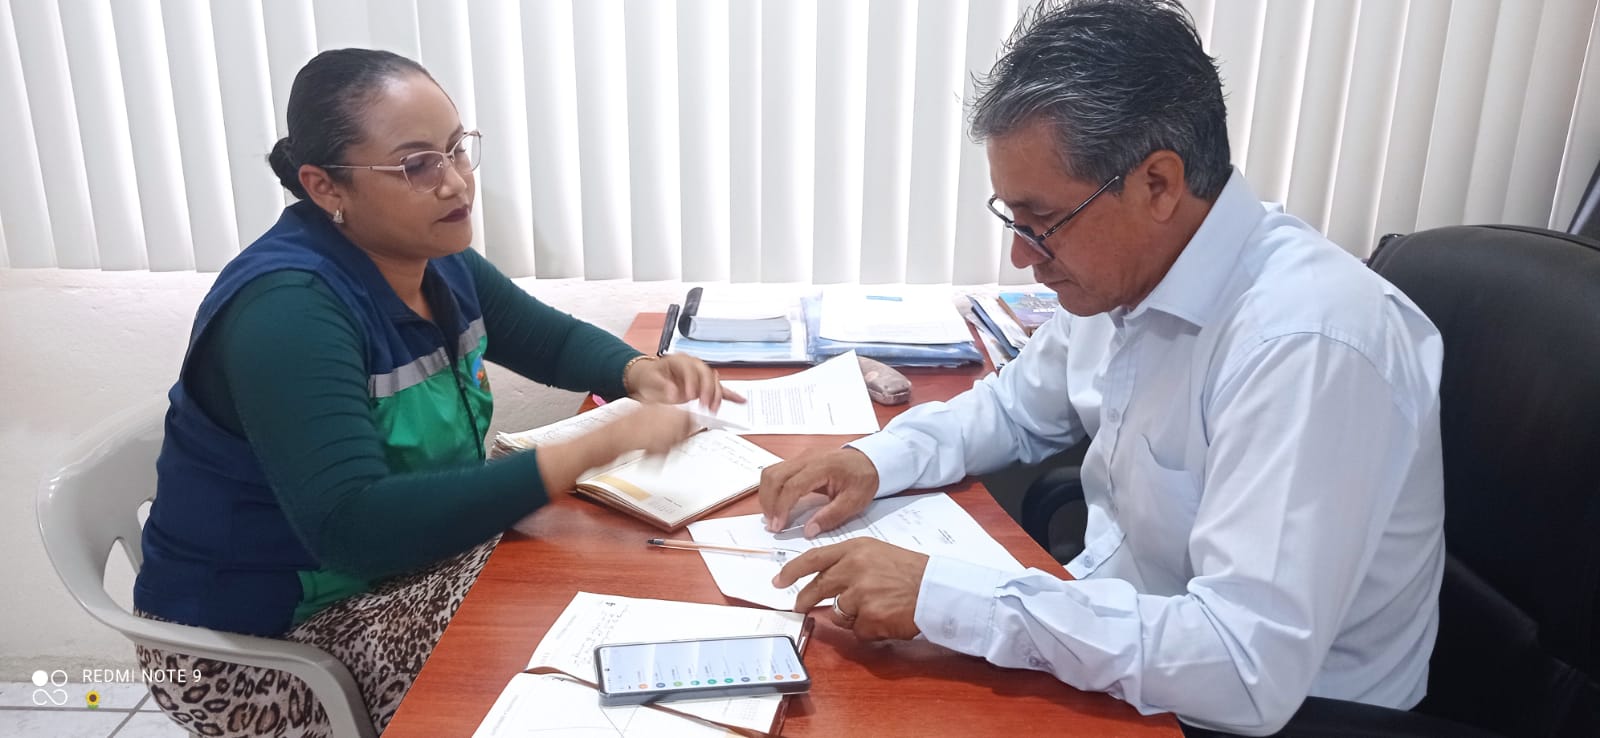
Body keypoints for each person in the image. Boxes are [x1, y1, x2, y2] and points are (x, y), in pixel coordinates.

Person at [757, 1, 1445, 734]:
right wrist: (873, 460)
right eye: (1013, 219)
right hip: (1123, 644)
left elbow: (1244, 667)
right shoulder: (1125, 275)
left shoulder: (1307, 342)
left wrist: (946, 599)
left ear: (1158, 185)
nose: (1021, 254)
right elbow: (1014, 408)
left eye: (1041, 222)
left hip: (1263, 712)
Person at [133, 48, 736, 737]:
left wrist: (635, 372)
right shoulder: (290, 312)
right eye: (417, 165)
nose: (455, 183)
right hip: (257, 646)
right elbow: (354, 529)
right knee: (555, 619)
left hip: (391, 568)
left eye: (456, 149)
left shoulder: (428, 256)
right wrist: (589, 449)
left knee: (600, 562)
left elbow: (544, 339)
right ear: (325, 187)